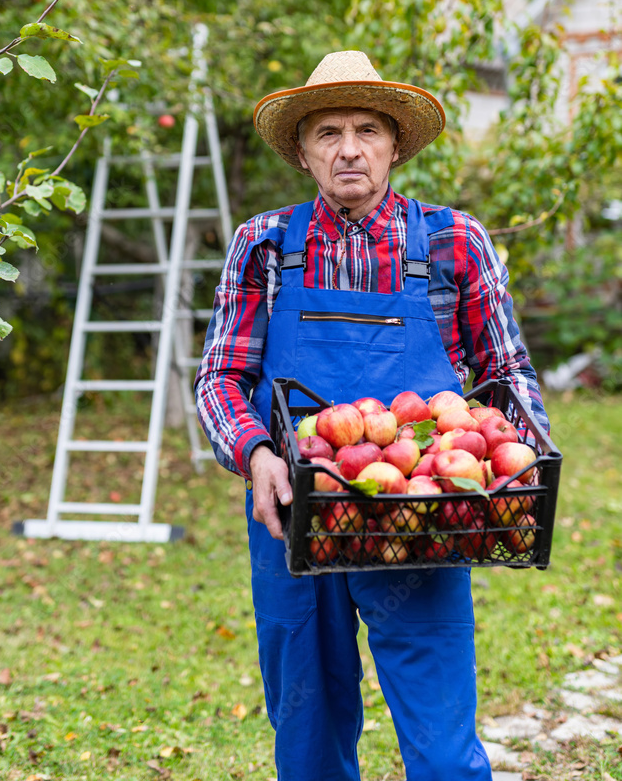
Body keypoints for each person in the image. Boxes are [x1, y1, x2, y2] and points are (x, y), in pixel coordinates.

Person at [194, 50, 549, 781]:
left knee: (443, 742)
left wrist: (525, 466)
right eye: (327, 132)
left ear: (394, 143)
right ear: (302, 151)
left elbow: (506, 371)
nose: (348, 148)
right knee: (307, 728)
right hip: (294, 508)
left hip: (422, 513)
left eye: (365, 130)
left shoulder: (454, 241)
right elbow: (220, 377)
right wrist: (257, 455)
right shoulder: (262, 245)